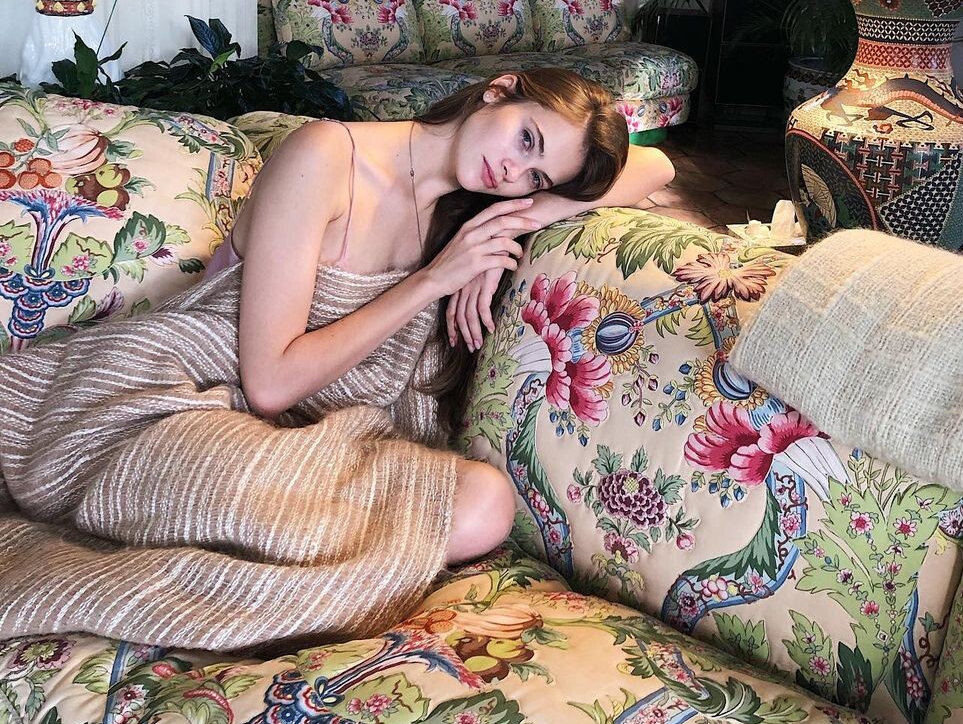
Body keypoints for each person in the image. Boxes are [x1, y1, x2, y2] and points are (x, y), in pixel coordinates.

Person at [0, 69, 674, 651]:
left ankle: (258, 535)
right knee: (236, 485)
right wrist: (434, 280)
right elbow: (269, 383)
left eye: (536, 176)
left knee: (485, 504)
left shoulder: (471, 209)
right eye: (525, 140)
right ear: (498, 91)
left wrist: (517, 218)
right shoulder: (325, 154)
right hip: (175, 393)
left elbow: (657, 165)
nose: (513, 174)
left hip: (310, 435)